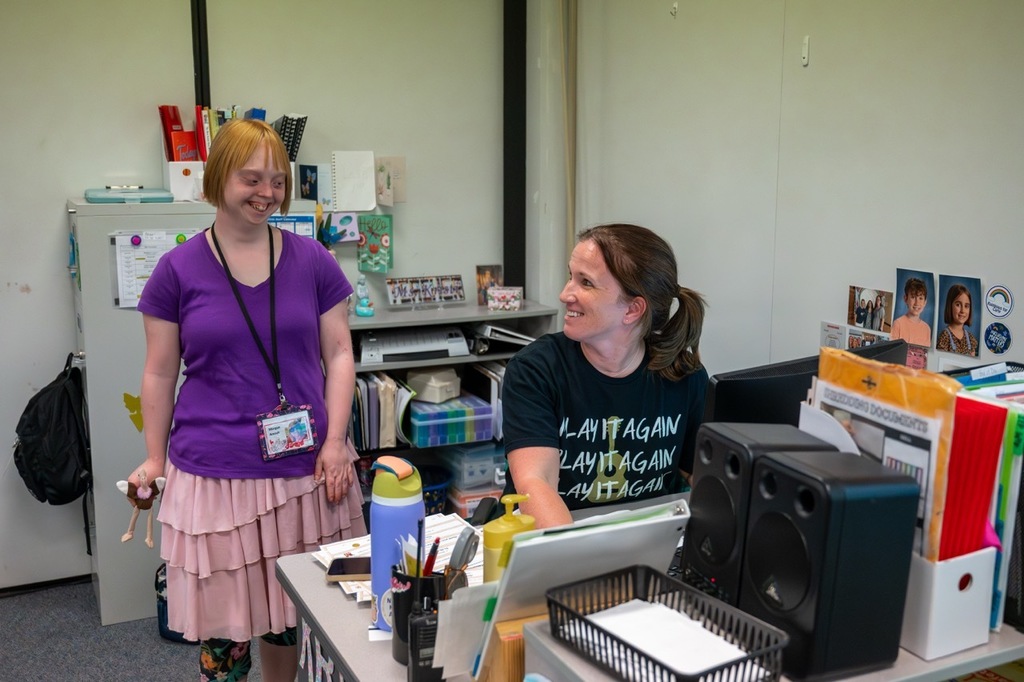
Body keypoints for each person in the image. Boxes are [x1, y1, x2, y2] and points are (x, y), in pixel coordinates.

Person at [129, 118, 366, 682]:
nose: (267, 193)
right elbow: (160, 375)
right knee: (225, 626)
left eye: (277, 180)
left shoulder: (313, 260)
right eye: (251, 179)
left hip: (305, 468)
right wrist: (154, 459)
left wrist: (335, 442)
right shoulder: (176, 271)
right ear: (217, 180)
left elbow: (338, 355)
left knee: (291, 617)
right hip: (215, 474)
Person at [502, 223, 708, 529]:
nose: (564, 294)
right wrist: (578, 564)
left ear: (633, 310)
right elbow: (536, 481)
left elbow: (703, 477)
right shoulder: (535, 370)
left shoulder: (684, 375)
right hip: (556, 543)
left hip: (650, 542)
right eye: (571, 276)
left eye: (585, 283)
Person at [936, 283, 979, 356]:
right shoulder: (945, 337)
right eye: (958, 305)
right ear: (950, 306)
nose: (962, 310)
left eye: (966, 306)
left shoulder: (971, 339)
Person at [890, 277, 932, 346]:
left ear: (925, 302)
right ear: (905, 299)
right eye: (913, 297)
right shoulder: (898, 324)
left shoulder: (927, 329)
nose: (917, 303)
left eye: (920, 298)